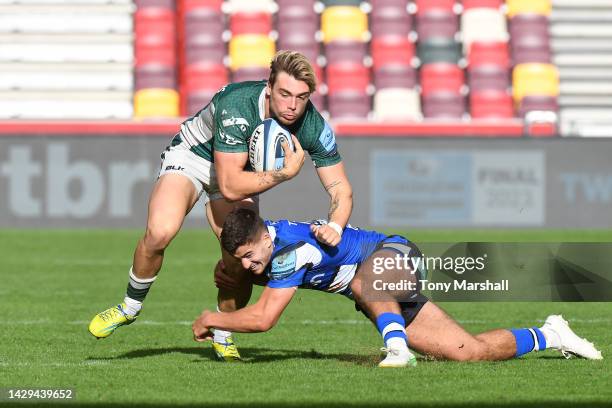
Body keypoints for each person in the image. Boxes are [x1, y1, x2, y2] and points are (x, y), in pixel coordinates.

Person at [88, 51, 354, 362]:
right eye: (284, 94)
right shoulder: (238, 104)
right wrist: (284, 173)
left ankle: (223, 335)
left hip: (241, 173)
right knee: (160, 231)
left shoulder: (312, 124)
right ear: (269, 87)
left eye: (301, 96)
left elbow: (340, 189)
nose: (292, 105)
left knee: (243, 256)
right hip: (194, 158)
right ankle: (129, 307)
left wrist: (336, 225)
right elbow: (228, 185)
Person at [192, 208, 603, 367]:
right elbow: (231, 271)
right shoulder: (261, 246)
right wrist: (230, 272)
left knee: (362, 281)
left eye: (250, 255)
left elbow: (265, 320)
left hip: (396, 253)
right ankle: (551, 334)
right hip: (381, 289)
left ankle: (396, 350)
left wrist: (215, 319)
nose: (248, 265)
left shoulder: (289, 252)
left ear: (266, 238)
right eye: (241, 259)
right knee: (469, 352)